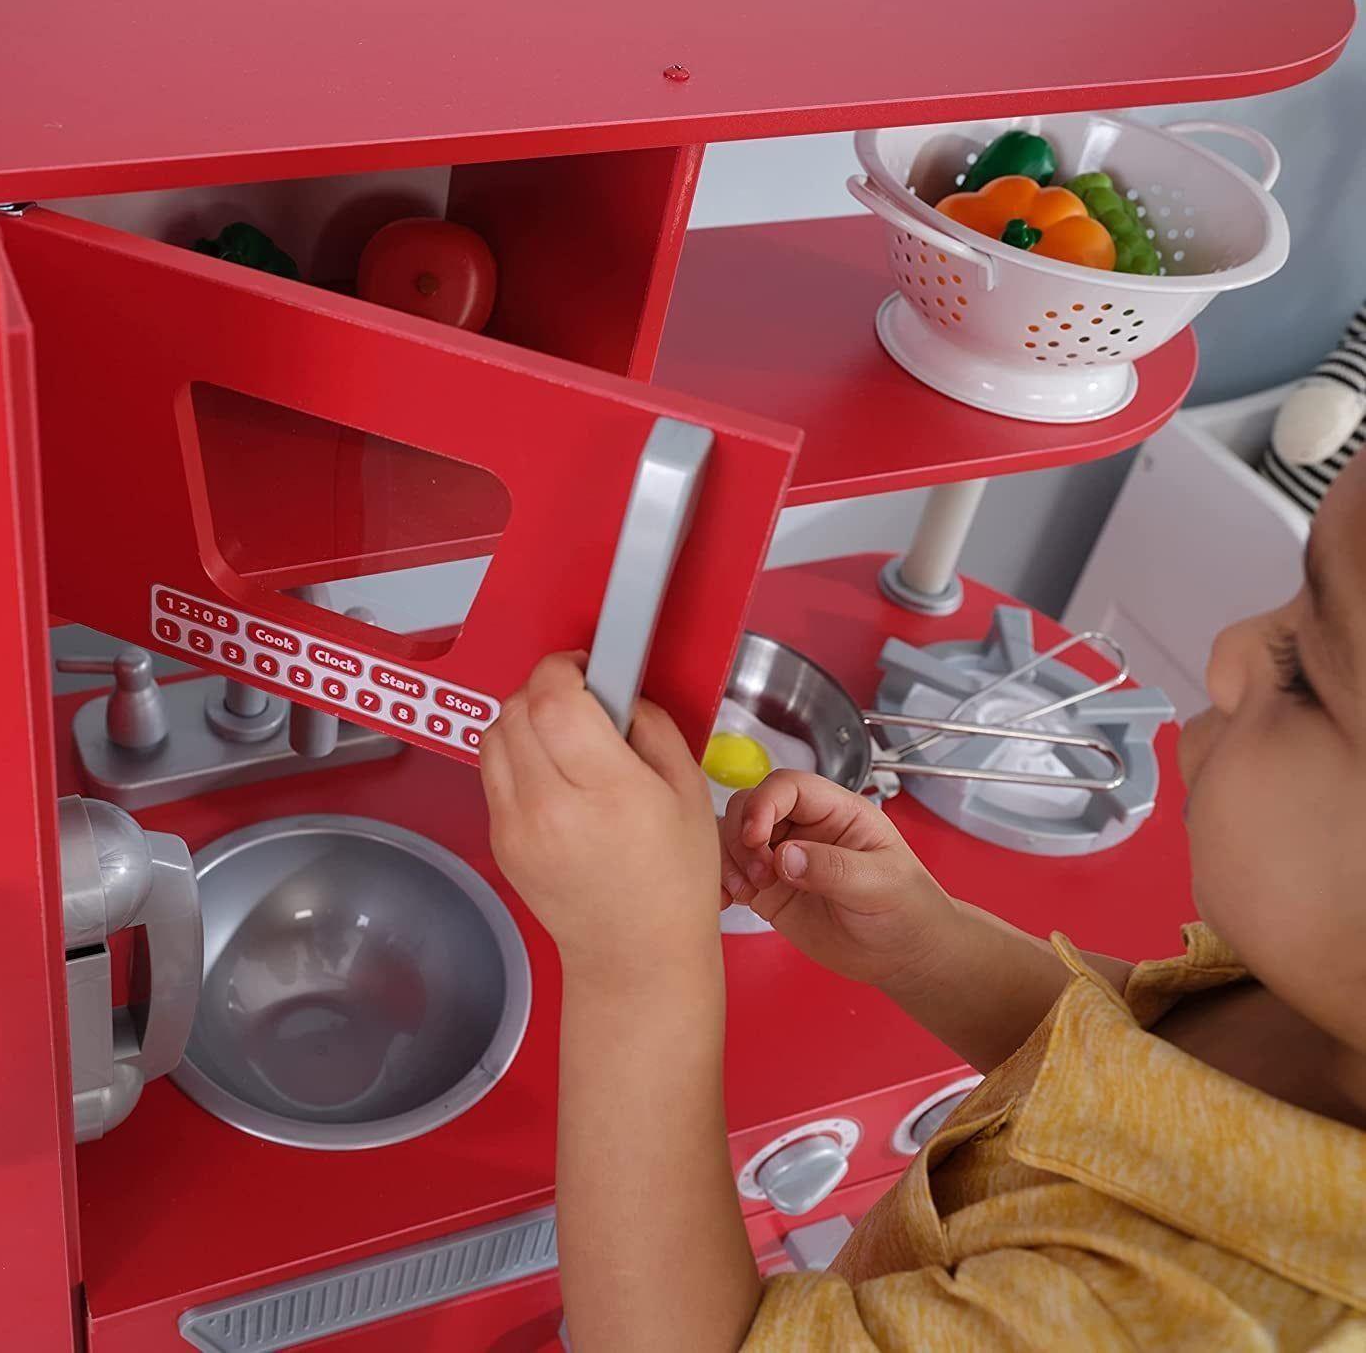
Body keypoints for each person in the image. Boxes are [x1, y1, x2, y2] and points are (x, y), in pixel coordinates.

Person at [479, 450, 1366, 1352]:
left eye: (1306, 671)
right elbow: (1136, 1077)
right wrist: (928, 947)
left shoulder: (1191, 1320)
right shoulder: (1313, 1000)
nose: (1229, 653)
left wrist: (636, 966)